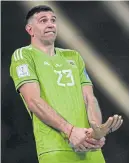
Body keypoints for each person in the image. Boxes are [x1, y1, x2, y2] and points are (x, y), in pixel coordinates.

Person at [10, 5, 123, 163]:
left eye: (53, 20)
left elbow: (90, 98)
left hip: (89, 148)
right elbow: (33, 101)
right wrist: (70, 131)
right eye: (43, 20)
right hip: (55, 149)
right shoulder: (23, 55)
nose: (50, 24)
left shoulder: (74, 56)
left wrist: (95, 132)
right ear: (30, 29)